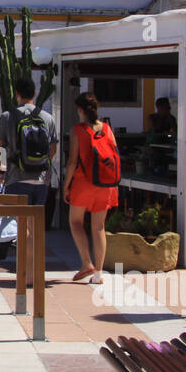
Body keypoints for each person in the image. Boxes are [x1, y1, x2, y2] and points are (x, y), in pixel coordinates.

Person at [63, 92, 118, 284]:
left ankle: (86, 263)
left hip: (83, 183)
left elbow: (72, 162)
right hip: (106, 184)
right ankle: (99, 273)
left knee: (75, 222)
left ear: (80, 110)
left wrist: (65, 186)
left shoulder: (77, 130)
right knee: (99, 227)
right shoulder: (107, 129)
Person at [0, 76, 58, 212]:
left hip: (16, 178)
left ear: (16, 94)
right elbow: (52, 149)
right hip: (41, 180)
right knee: (35, 224)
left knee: (17, 224)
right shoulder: (48, 118)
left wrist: (0, 173)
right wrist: (39, 164)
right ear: (34, 94)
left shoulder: (7, 117)